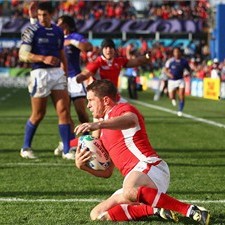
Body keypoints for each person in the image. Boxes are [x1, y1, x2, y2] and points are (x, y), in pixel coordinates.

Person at [74, 79, 210, 224]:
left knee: (129, 190)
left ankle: (191, 210)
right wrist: (83, 166)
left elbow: (131, 120)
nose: (88, 105)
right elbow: (107, 172)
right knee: (97, 213)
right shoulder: (103, 132)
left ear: (105, 100)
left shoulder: (121, 109)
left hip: (151, 166)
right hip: (135, 179)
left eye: (90, 100)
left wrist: (97, 124)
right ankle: (155, 209)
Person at [28, 2, 93, 159]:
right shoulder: (54, 34)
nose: (57, 23)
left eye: (60, 21)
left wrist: (72, 42)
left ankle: (87, 142)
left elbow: (88, 47)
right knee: (64, 113)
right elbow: (34, 36)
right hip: (60, 77)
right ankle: (68, 143)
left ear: (66, 24)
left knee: (82, 113)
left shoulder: (73, 37)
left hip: (74, 78)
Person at [19, 1, 71, 159]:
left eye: (45, 15)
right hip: (39, 73)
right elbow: (22, 54)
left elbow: (61, 52)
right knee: (38, 114)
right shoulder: (31, 30)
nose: (41, 18)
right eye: (39, 15)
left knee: (64, 112)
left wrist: (65, 72)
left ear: (52, 14)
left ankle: (68, 150)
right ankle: (25, 147)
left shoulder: (58, 31)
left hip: (57, 74)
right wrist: (43, 58)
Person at [164, 47, 191, 117]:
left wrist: (188, 73)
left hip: (180, 80)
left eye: (178, 52)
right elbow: (165, 70)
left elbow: (189, 69)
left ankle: (180, 110)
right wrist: (169, 74)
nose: (176, 53)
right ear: (173, 53)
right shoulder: (170, 61)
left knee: (181, 95)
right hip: (171, 81)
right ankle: (173, 99)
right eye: (175, 52)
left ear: (180, 53)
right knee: (171, 96)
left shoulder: (184, 61)